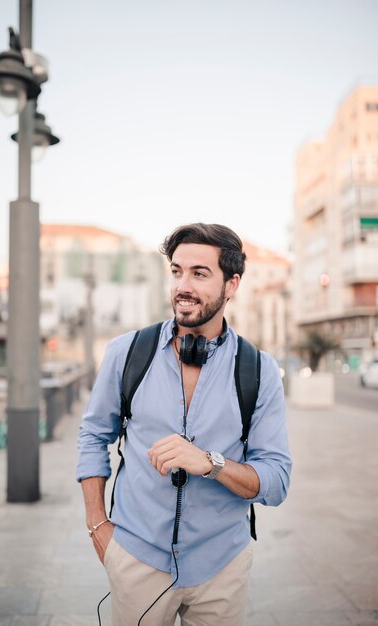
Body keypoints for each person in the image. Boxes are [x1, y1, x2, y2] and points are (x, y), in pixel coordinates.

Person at [76, 223, 292, 626]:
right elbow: (92, 435)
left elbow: (277, 481)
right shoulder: (126, 353)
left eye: (199, 273)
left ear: (232, 285)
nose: (183, 285)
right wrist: (97, 526)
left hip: (222, 568)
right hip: (136, 557)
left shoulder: (259, 371)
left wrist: (212, 462)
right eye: (176, 271)